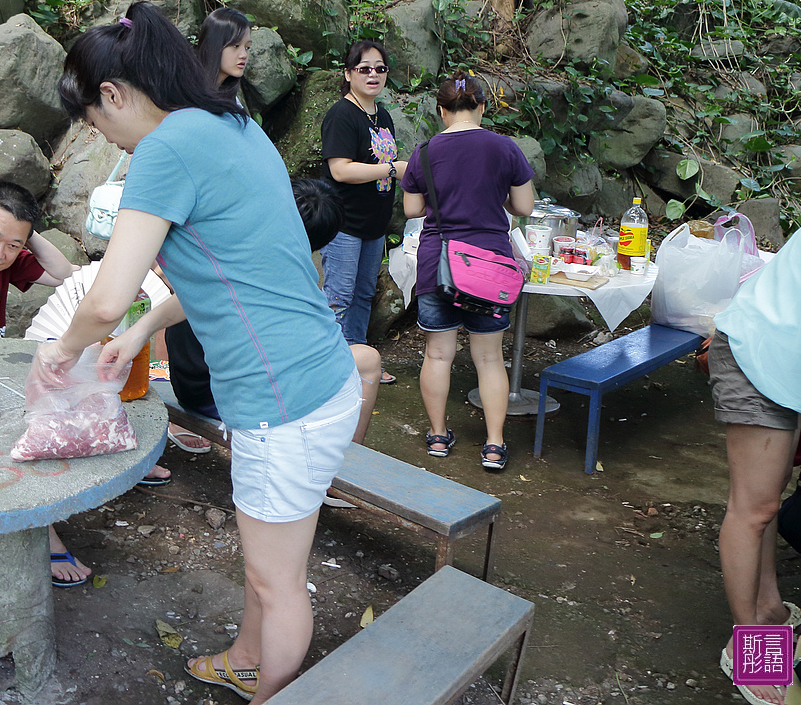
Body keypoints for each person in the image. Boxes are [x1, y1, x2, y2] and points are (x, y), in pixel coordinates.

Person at [41, 2, 361, 703]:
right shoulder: (232, 124)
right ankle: (248, 660)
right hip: (320, 378)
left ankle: (269, 686)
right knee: (268, 568)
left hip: (282, 400)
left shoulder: (165, 149)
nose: (115, 145)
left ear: (115, 96)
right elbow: (236, 271)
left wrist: (59, 353)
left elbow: (100, 297)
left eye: (101, 128)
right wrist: (138, 330)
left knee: (279, 585)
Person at [0, 180, 170, 587]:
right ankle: (43, 529)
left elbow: (61, 274)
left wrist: (23, 232)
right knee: (45, 404)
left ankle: (107, 463)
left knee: (78, 383)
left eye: (12, 245)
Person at [165, 179, 381, 451]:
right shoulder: (284, 275)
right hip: (227, 398)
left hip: (189, 384)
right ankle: (346, 466)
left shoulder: (230, 243)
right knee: (368, 361)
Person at [399, 71, 535, 471]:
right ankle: (493, 445)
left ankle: (439, 436)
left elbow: (411, 210)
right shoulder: (504, 147)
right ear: (481, 107)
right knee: (490, 359)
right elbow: (524, 207)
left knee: (439, 354)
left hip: (436, 265)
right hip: (489, 265)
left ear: (441, 111)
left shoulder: (424, 152)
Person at [712, 219, 801, 705]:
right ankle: (750, 649)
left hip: (789, 359)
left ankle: (769, 606)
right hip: (759, 355)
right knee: (753, 508)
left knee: (767, 502)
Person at [161, 6, 257, 455]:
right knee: (192, 318)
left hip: (228, 222)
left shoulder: (235, 98)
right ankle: (196, 408)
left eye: (248, 47)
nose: (243, 56)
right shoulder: (185, 98)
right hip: (196, 218)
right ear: (215, 45)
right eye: (236, 46)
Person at [320, 40, 407, 385]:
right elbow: (340, 169)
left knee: (363, 294)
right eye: (364, 68)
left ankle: (358, 359)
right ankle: (331, 365)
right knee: (339, 295)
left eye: (380, 68)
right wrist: (390, 170)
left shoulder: (381, 115)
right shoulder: (342, 114)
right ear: (348, 73)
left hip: (374, 223)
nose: (373, 75)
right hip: (344, 222)